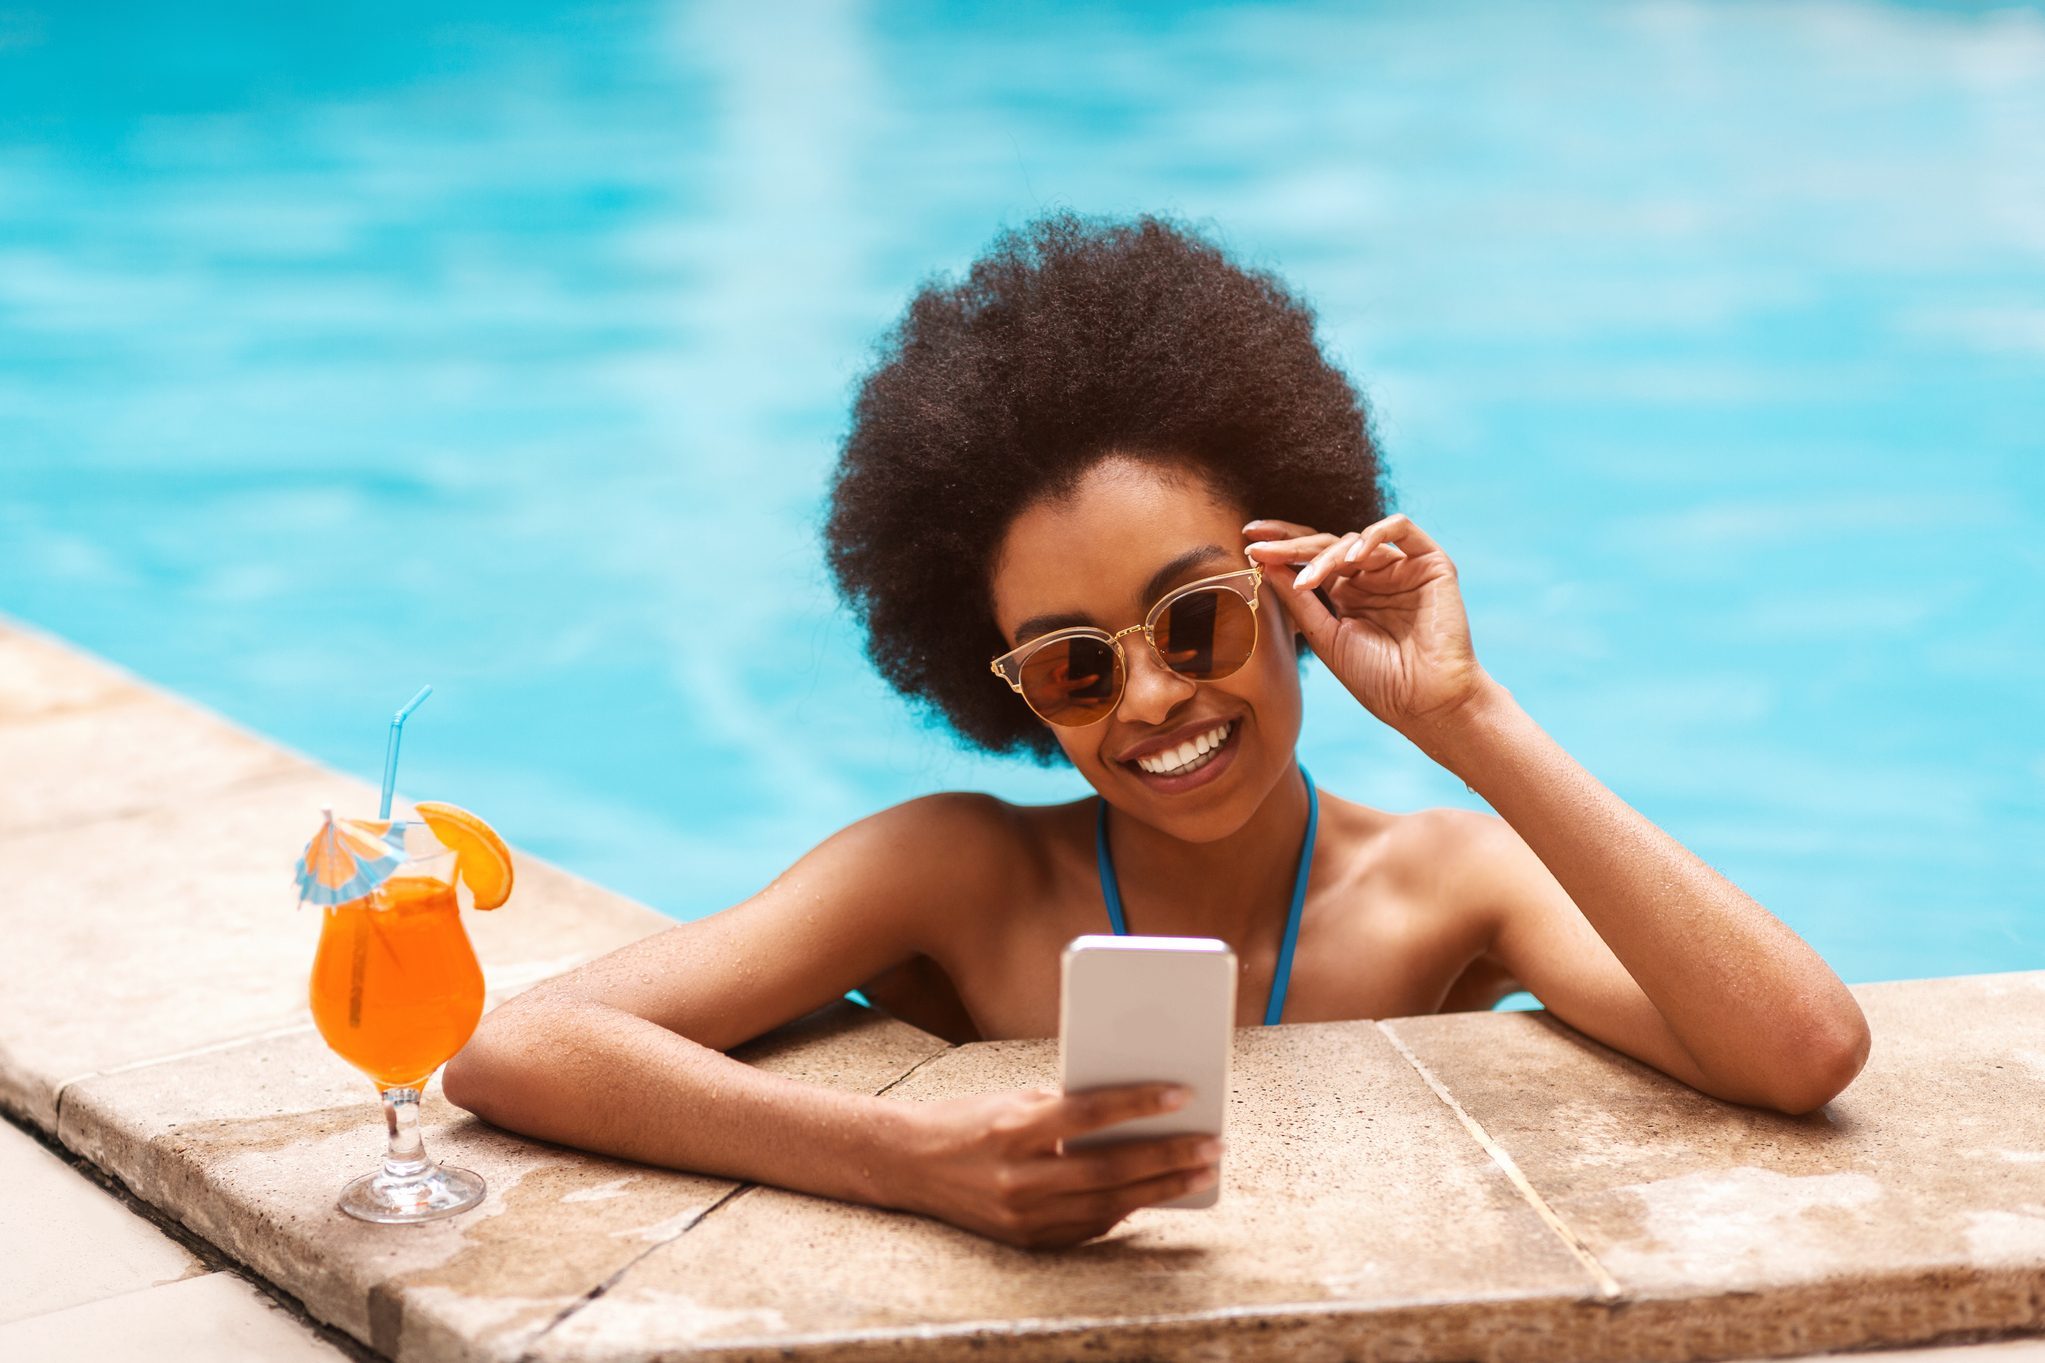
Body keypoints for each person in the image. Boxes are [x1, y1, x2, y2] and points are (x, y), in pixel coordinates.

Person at [443, 211, 1870, 1251]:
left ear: (1294, 587)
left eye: (1196, 624)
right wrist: (902, 1154)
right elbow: (521, 1049)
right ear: (993, 677)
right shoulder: (955, 875)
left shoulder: (1450, 885)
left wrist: (1464, 715)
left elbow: (1799, 1052)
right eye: (1070, 668)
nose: (1149, 703)